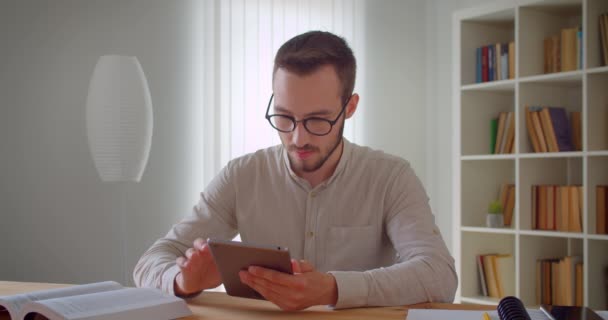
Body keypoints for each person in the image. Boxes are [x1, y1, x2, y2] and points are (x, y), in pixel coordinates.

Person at [133, 30, 457, 311]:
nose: (297, 138)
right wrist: (182, 281)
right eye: (284, 117)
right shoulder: (242, 175)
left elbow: (439, 274)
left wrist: (333, 288)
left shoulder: (391, 177)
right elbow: (151, 261)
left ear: (351, 107)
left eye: (317, 119)